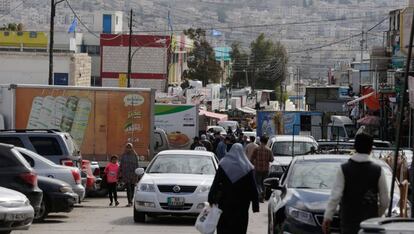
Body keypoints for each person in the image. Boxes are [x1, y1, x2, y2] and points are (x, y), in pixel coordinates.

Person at [322, 133, 390, 234]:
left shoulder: (344, 169)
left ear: (354, 147)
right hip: (370, 224)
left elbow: (335, 196)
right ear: (371, 148)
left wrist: (327, 217)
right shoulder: (378, 170)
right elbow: (385, 202)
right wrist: (376, 215)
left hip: (348, 223)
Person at [208, 143, 259, 234]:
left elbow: (216, 183)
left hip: (225, 202)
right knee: (239, 226)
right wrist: (255, 205)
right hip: (242, 204)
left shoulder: (223, 164)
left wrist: (211, 198)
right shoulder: (247, 167)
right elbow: (252, 187)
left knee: (224, 225)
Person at [250, 136, 274, 202]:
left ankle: (260, 192)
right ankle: (263, 195)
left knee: (258, 183)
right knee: (264, 183)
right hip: (266, 169)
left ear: (260, 141)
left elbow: (251, 158)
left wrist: (254, 163)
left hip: (257, 168)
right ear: (266, 142)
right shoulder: (269, 150)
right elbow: (272, 160)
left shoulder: (256, 149)